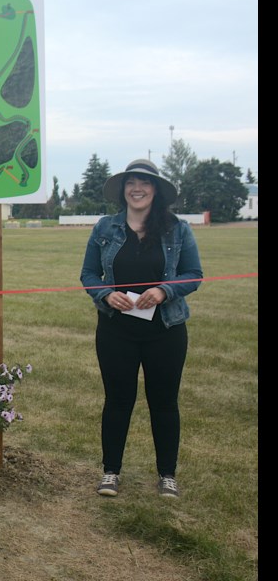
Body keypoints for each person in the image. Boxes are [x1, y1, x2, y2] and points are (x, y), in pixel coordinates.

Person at [80, 158, 203, 499]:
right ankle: (110, 473)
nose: (137, 188)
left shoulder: (177, 229)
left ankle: (167, 475)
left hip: (166, 329)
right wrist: (106, 294)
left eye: (145, 183)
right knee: (118, 401)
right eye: (131, 182)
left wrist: (165, 290)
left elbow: (193, 273)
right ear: (123, 190)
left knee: (164, 402)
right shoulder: (105, 228)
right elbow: (89, 275)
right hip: (116, 330)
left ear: (156, 190)